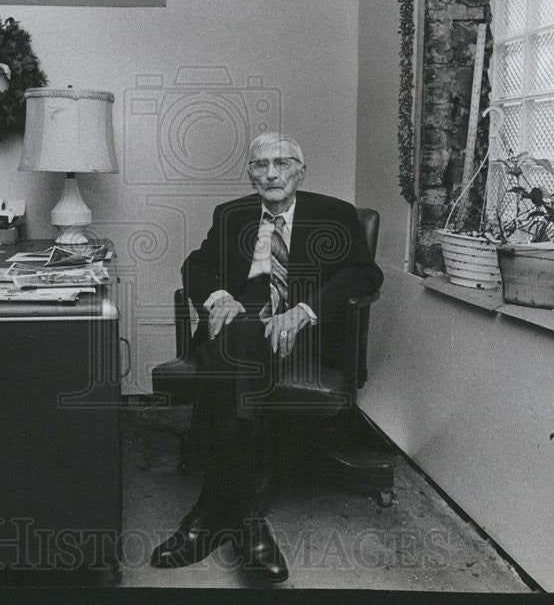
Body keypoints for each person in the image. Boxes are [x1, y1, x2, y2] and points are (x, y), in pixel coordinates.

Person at [150, 132, 383, 582]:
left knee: (232, 352)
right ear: (250, 173)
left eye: (282, 163)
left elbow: (362, 272)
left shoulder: (334, 215)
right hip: (239, 329)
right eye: (260, 165)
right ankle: (250, 523)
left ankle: (210, 514)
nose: (272, 173)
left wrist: (304, 311)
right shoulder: (233, 214)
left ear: (301, 169)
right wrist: (217, 297)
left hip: (303, 337)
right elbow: (196, 264)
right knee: (238, 337)